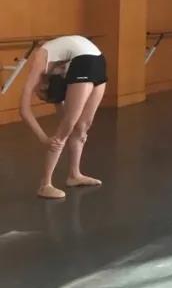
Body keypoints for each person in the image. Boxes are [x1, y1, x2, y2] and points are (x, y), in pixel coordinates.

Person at [18, 36, 107, 199]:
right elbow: (62, 111)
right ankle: (45, 184)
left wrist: (45, 138)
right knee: (67, 127)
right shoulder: (60, 76)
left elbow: (24, 109)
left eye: (42, 93)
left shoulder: (39, 64)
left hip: (95, 59)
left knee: (82, 126)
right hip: (88, 59)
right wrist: (45, 138)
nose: (41, 92)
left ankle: (74, 175)